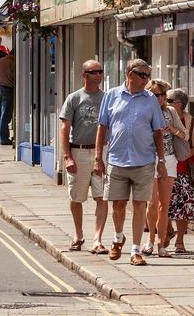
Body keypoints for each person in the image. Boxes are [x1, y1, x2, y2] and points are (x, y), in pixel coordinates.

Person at [93, 58, 166, 267]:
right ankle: (118, 238)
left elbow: (158, 132)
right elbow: (102, 128)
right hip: (117, 160)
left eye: (148, 75)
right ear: (130, 74)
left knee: (139, 205)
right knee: (118, 205)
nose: (147, 80)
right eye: (143, 75)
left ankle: (135, 250)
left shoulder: (150, 99)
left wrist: (161, 160)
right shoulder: (112, 96)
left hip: (144, 160)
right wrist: (98, 158)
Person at [59, 60, 109, 254]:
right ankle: (78, 234)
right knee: (77, 197)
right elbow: (64, 128)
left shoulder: (107, 98)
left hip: (100, 152)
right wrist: (67, 157)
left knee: (101, 197)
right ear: (84, 75)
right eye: (93, 72)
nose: (98, 75)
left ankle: (97, 239)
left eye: (100, 72)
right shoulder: (74, 98)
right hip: (78, 151)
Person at [142, 79, 186, 257]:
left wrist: (172, 129)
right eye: (156, 95)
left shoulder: (171, 112)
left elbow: (184, 134)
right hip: (149, 159)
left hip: (169, 159)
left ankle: (161, 245)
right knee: (151, 203)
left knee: (164, 205)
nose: (160, 99)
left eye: (163, 95)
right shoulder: (144, 111)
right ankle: (149, 241)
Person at [167, 89, 194, 255]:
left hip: (184, 171)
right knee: (165, 206)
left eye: (169, 100)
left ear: (179, 104)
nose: (165, 102)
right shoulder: (162, 117)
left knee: (183, 208)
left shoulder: (191, 121)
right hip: (165, 170)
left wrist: (191, 152)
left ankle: (179, 241)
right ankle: (167, 231)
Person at [0, 46, 15, 147]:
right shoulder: (12, 62)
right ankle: (4, 138)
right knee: (6, 114)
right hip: (7, 89)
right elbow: (15, 77)